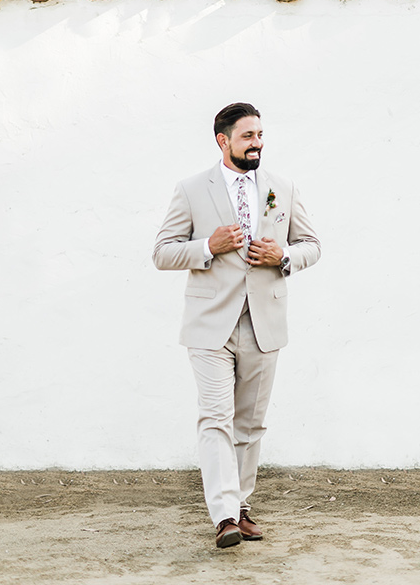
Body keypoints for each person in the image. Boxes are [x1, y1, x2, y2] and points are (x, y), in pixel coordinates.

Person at [153, 103, 321, 548]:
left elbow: (312, 245)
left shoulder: (282, 188)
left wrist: (282, 256)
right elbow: (163, 253)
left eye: (260, 135)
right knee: (216, 419)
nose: (258, 143)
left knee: (250, 425)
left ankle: (242, 507)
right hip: (211, 325)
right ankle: (224, 515)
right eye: (248, 136)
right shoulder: (191, 189)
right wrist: (207, 245)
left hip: (264, 322)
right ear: (223, 141)